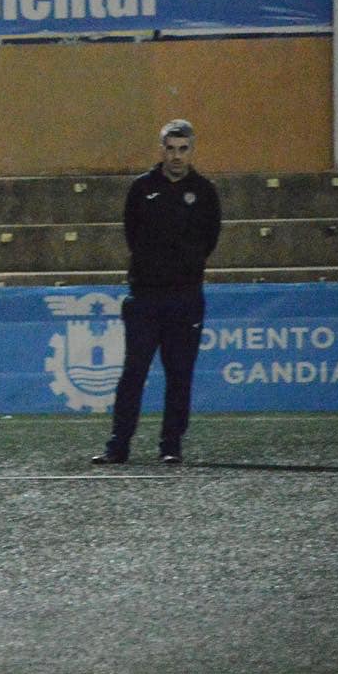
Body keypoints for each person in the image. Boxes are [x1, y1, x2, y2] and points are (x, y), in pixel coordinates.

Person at [93, 119, 221, 466]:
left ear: (191, 150)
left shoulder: (205, 192)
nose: (176, 156)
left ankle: (171, 446)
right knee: (133, 372)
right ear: (161, 149)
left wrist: (185, 269)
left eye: (183, 149)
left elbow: (210, 239)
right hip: (146, 298)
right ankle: (118, 446)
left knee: (179, 374)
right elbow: (131, 234)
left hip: (186, 298)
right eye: (170, 148)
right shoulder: (141, 188)